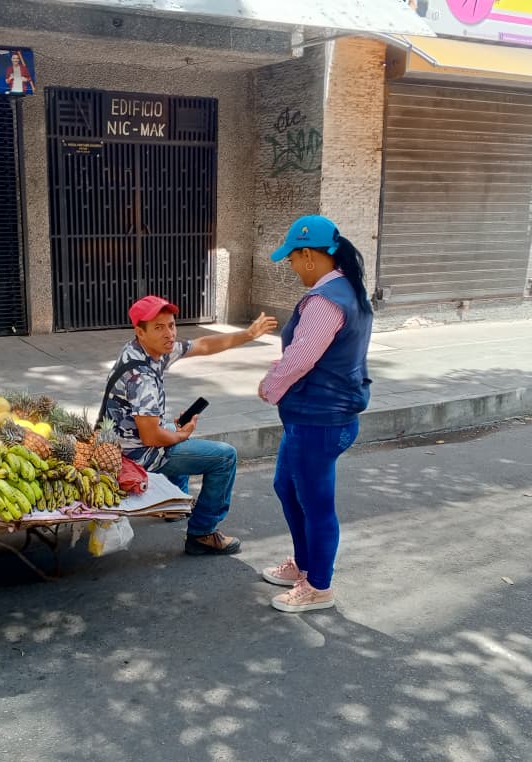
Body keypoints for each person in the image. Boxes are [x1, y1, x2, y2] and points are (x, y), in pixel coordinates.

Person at [257, 215, 373, 613]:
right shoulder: (342, 288)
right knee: (286, 487)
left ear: (308, 255)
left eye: (291, 259)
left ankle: (319, 586)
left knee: (316, 502)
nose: (290, 267)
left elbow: (301, 357)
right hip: (314, 415)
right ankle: (304, 565)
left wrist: (270, 386)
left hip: (321, 419)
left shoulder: (326, 300)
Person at [104, 296, 277, 556]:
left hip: (122, 440)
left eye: (171, 325)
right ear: (140, 331)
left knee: (173, 432)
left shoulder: (141, 350)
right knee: (224, 456)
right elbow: (152, 438)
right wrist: (180, 435)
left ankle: (176, 505)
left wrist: (249, 334)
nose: (169, 334)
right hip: (136, 454)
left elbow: (203, 345)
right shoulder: (142, 379)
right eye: (159, 327)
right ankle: (203, 533)